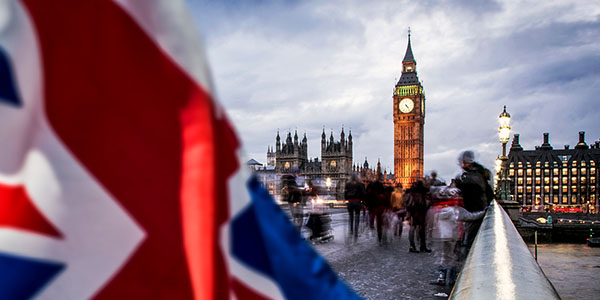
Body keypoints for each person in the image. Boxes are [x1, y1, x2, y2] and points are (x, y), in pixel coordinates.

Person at [426, 186, 487, 286]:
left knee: (442, 257)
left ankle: (441, 277)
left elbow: (430, 222)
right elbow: (471, 217)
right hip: (452, 236)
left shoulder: (437, 208)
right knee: (452, 258)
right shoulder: (456, 210)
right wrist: (483, 212)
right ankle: (451, 279)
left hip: (439, 236)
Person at [454, 150, 494, 252]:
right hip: (480, 209)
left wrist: (458, 185)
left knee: (472, 242)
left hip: (475, 210)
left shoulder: (470, 177)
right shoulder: (482, 173)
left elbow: (468, 193)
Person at [406, 180, 431, 253]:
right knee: (421, 229)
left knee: (412, 228)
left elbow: (407, 204)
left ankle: (412, 246)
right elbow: (427, 203)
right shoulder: (423, 193)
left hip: (413, 212)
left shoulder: (411, 193)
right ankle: (422, 246)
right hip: (420, 212)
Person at [367, 175, 388, 245]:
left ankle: (379, 236)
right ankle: (381, 235)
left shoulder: (372, 194)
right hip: (381, 209)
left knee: (376, 221)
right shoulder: (382, 194)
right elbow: (386, 200)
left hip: (374, 209)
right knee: (380, 223)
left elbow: (369, 200)